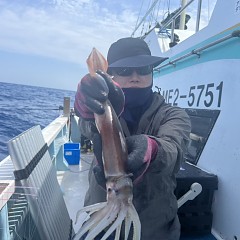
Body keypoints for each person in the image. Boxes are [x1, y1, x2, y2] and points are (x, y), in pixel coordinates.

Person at [74, 37, 191, 240]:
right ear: (110, 76)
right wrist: (85, 110)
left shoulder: (174, 114)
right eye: (126, 71)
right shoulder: (101, 109)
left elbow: (174, 147)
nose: (136, 77)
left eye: (144, 69)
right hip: (101, 224)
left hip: (154, 229)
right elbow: (87, 127)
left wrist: (153, 149)